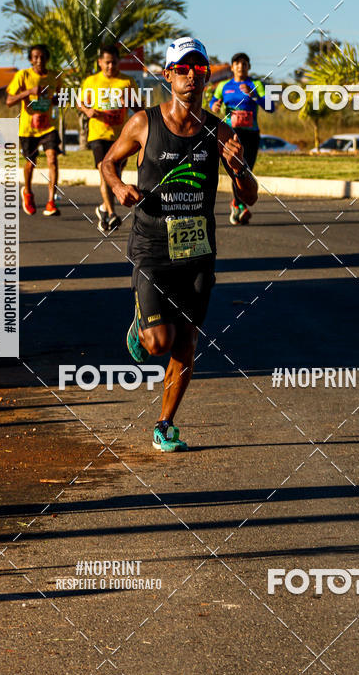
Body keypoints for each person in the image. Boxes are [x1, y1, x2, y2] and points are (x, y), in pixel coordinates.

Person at [102, 37, 257, 452]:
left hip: (197, 252)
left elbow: (251, 194)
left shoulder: (218, 131)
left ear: (206, 75)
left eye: (199, 69)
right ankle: (142, 324)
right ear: (168, 74)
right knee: (158, 343)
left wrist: (239, 169)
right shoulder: (143, 123)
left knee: (187, 340)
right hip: (152, 247)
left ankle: (164, 423)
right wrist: (117, 186)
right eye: (183, 69)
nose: (192, 76)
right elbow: (108, 161)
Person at [78, 45, 139, 234]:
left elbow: (140, 109)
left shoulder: (127, 81)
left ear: (118, 62)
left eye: (113, 62)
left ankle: (103, 209)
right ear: (100, 62)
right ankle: (112, 214)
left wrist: (128, 102)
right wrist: (88, 110)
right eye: (107, 62)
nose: (110, 66)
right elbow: (81, 102)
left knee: (115, 175)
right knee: (104, 170)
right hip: (98, 134)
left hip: (121, 137)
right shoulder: (92, 81)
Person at [210, 52, 271, 225]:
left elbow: (270, 106)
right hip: (231, 133)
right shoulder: (224, 85)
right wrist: (214, 105)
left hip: (251, 133)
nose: (240, 67)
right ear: (232, 67)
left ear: (248, 67)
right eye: (237, 63)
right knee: (235, 168)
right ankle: (239, 206)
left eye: (244, 64)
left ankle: (237, 204)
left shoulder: (256, 84)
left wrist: (254, 96)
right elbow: (213, 101)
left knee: (247, 169)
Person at [6, 44, 62, 216]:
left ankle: (51, 201)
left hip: (48, 126)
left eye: (42, 57)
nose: (39, 60)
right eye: (35, 57)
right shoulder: (23, 75)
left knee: (52, 159)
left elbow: (61, 98)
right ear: (30, 59)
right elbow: (9, 101)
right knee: (31, 163)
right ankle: (28, 192)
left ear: (47, 58)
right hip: (28, 128)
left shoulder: (55, 76)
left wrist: (55, 99)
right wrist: (29, 92)